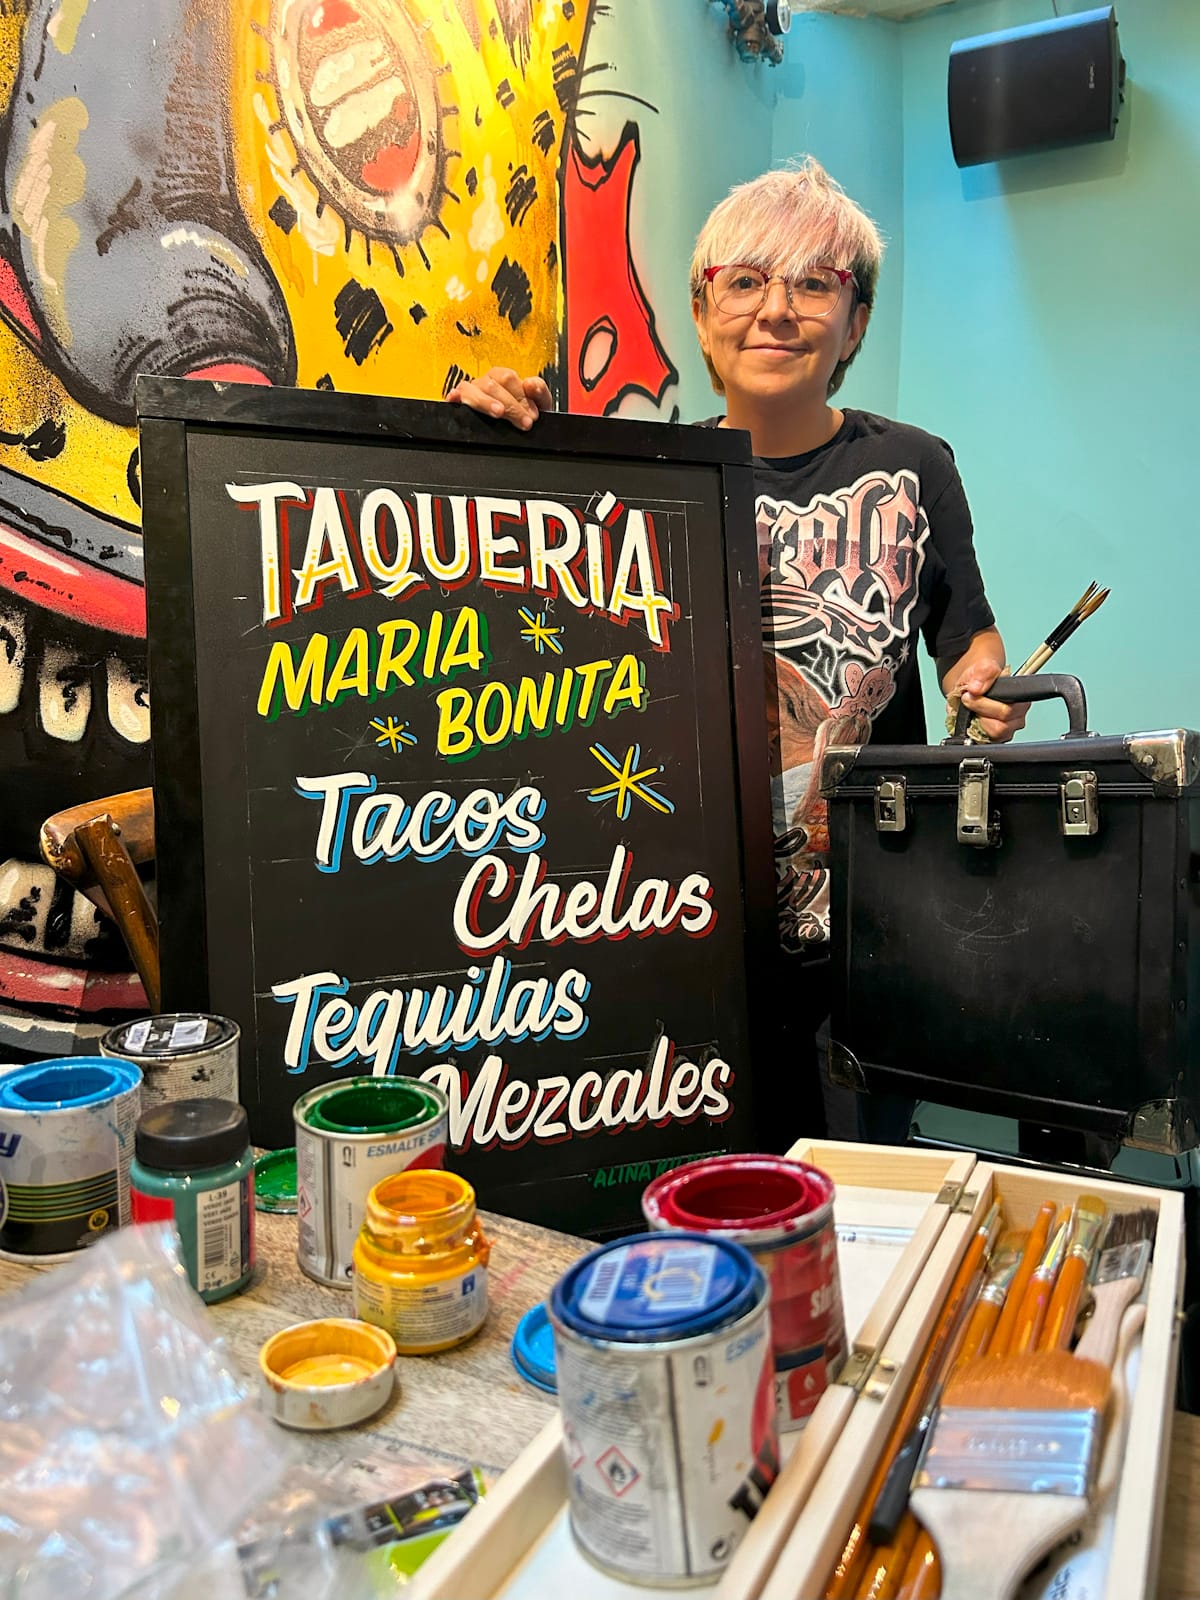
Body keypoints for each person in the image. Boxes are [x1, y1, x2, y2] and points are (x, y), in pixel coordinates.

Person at [447, 157, 1027, 1145]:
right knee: (707, 1194)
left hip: (870, 928)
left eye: (813, 284)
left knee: (857, 1192)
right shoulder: (641, 479)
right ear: (702, 307)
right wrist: (478, 440)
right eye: (747, 280)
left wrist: (985, 684)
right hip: (683, 929)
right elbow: (526, 626)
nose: (777, 311)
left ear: (857, 320)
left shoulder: (914, 466)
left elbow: (966, 636)